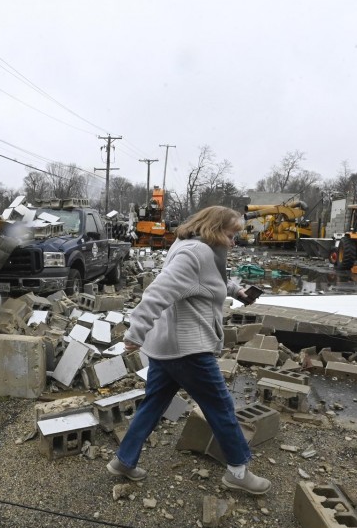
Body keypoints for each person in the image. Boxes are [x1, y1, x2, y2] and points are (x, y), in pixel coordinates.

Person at [106, 206, 271, 495]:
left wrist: (235, 291)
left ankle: (123, 461)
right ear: (215, 229)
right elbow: (158, 291)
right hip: (188, 351)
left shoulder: (190, 246)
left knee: (153, 406)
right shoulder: (196, 254)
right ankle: (238, 471)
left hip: (167, 348)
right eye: (231, 235)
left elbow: (208, 279)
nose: (234, 242)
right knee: (221, 408)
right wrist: (136, 331)